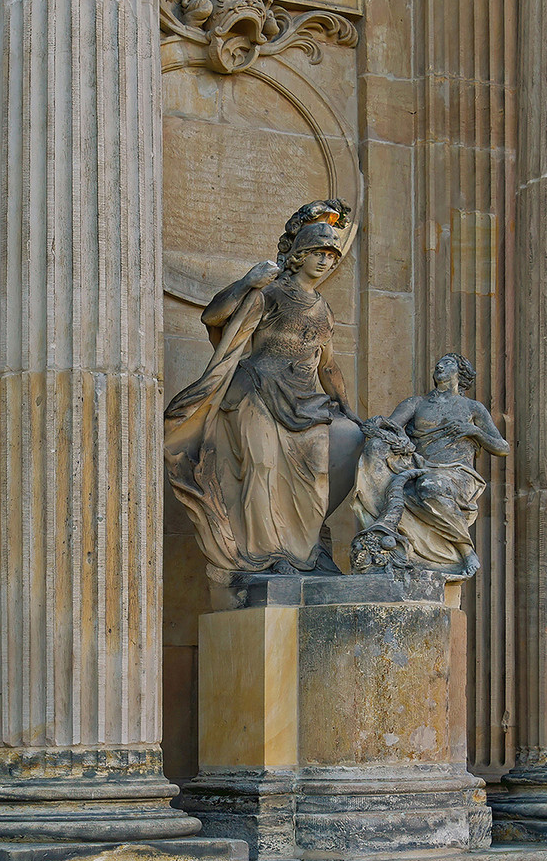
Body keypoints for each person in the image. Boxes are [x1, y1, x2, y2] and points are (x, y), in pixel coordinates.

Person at [165, 201, 363, 580]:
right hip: (256, 391)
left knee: (328, 462)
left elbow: (329, 366)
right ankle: (267, 557)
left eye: (331, 256)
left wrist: (349, 409)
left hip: (305, 400)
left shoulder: (323, 310)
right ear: (299, 256)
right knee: (263, 467)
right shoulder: (270, 294)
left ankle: (304, 551)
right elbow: (213, 317)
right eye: (318, 254)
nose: (325, 262)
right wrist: (246, 282)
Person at [359, 353, 509, 578]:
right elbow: (389, 428)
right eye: (438, 362)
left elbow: (502, 447)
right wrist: (396, 440)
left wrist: (474, 431)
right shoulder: (416, 403)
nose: (439, 365)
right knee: (381, 452)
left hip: (458, 473)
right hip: (418, 467)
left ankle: (465, 550)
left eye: (448, 362)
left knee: (431, 485)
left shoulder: (472, 408)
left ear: (460, 372)